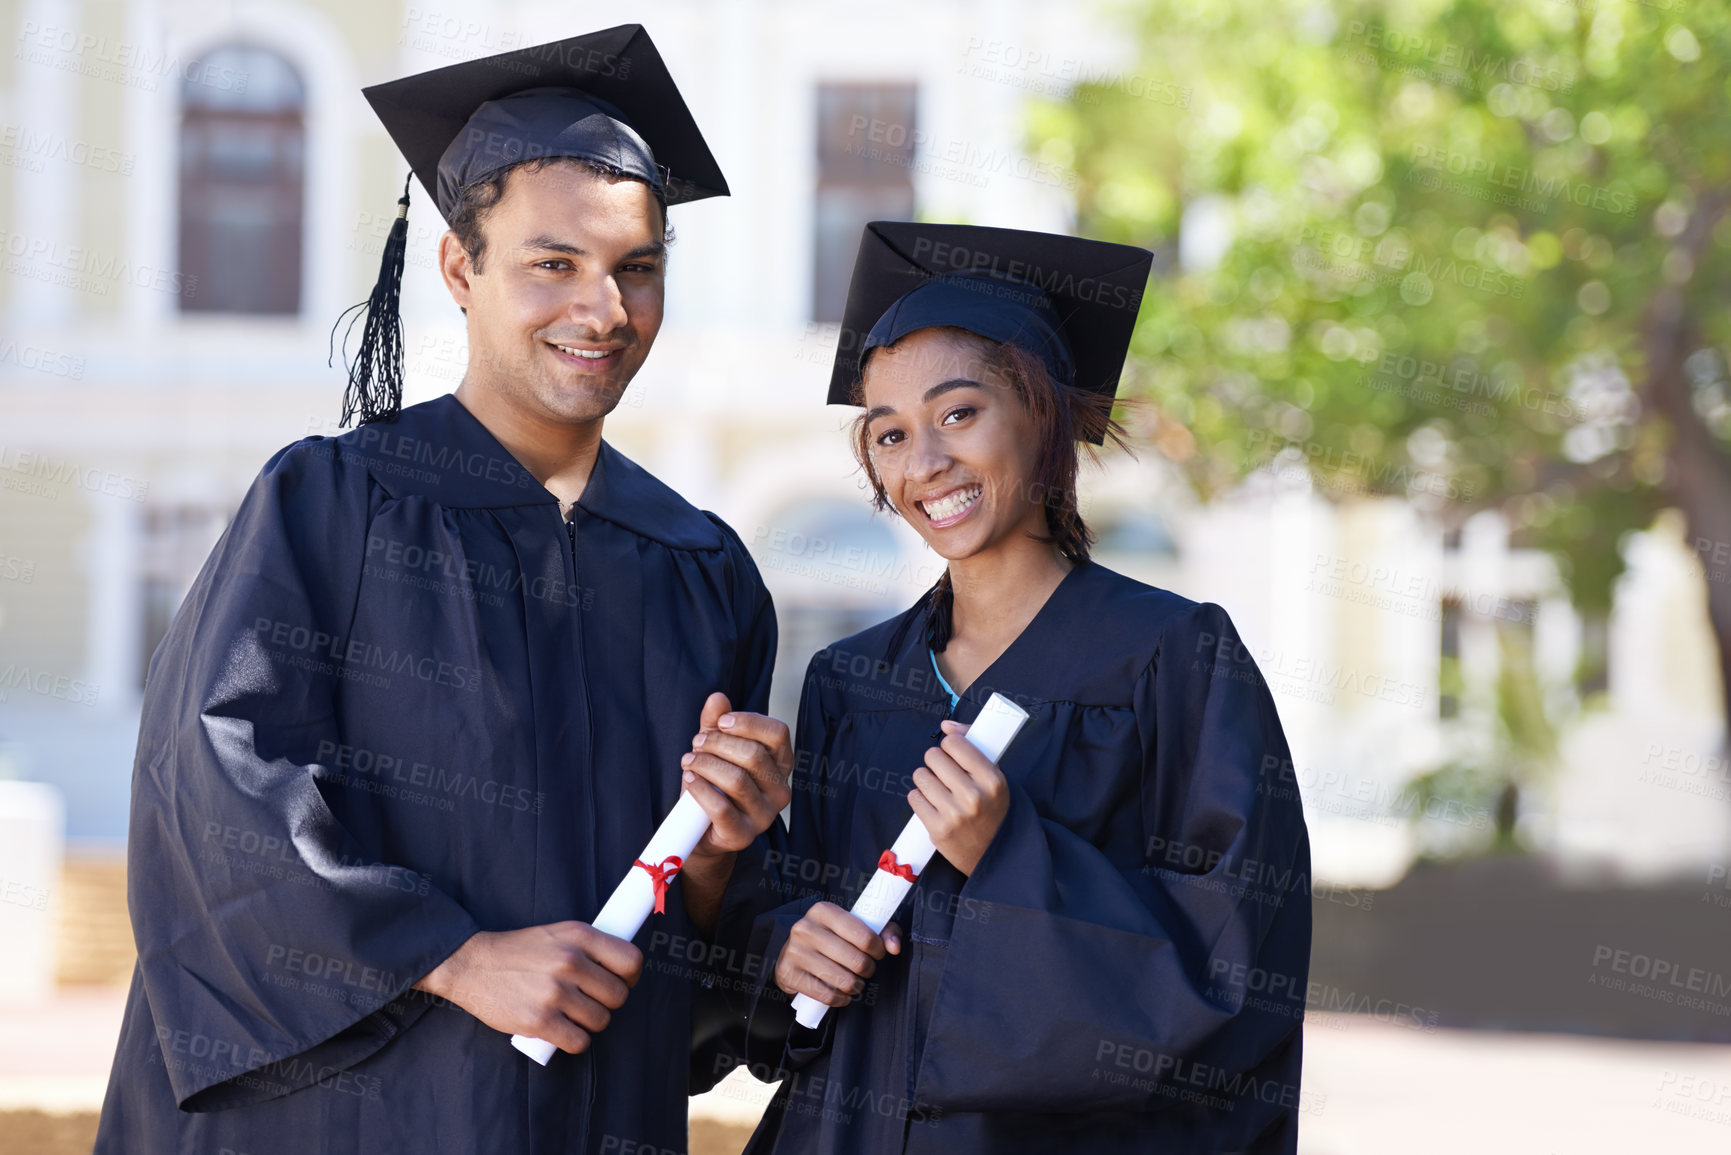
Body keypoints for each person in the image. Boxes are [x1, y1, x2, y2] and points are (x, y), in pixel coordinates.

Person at [95, 25, 792, 1154]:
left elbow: (719, 943)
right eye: (551, 264)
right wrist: (458, 958)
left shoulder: (701, 570)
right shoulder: (333, 504)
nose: (604, 310)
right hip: (343, 1116)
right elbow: (213, 789)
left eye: (637, 268)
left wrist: (722, 852)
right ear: (461, 271)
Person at [717, 222, 1314, 1152]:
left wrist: (1010, 853)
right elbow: (796, 929)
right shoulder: (849, 679)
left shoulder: (1174, 656)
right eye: (889, 433)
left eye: (960, 413)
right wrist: (791, 945)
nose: (925, 463)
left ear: (1040, 413)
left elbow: (1237, 972)